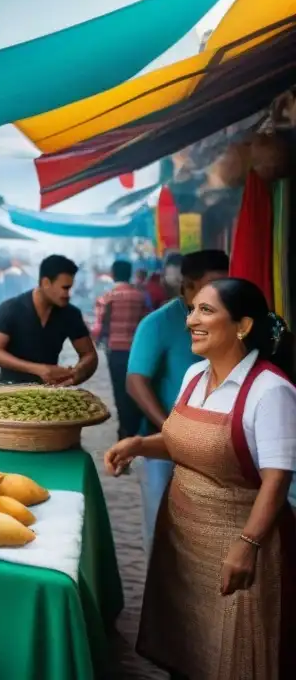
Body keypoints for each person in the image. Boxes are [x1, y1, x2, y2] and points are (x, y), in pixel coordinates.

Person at [106, 278, 296, 678]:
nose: (192, 319)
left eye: (206, 311)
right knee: (188, 647)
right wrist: (139, 444)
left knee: (236, 653)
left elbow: (276, 481)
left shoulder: (270, 391)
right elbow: (184, 441)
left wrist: (247, 546)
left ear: (242, 326)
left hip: (237, 547)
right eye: (192, 309)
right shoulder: (194, 376)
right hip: (182, 542)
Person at [127, 249, 230, 557]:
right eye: (213, 285)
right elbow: (135, 382)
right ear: (187, 286)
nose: (221, 293)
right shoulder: (158, 323)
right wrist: (170, 427)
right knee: (163, 532)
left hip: (219, 447)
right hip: (164, 449)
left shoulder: (230, 323)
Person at [0, 254, 98, 386]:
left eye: (70, 288)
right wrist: (38, 369)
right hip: (8, 388)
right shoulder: (11, 309)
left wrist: (77, 373)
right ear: (46, 283)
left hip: (49, 391)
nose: (68, 294)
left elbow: (89, 355)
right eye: (65, 288)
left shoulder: (70, 314)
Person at [91, 260, 147, 440]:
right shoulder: (139, 296)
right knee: (135, 387)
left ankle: (124, 431)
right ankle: (134, 428)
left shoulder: (107, 297)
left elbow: (99, 328)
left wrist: (95, 338)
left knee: (119, 390)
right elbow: (146, 323)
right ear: (129, 273)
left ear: (113, 274)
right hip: (137, 350)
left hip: (115, 350)